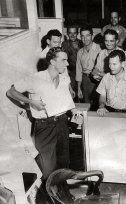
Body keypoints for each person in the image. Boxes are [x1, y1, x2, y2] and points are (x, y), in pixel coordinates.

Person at [6, 47, 75, 179]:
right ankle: (49, 197)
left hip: (62, 123)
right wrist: (30, 102)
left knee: (63, 163)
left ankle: (63, 194)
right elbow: (11, 92)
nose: (67, 63)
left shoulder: (64, 78)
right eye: (63, 60)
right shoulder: (35, 78)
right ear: (52, 62)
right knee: (48, 168)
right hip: (44, 127)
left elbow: (66, 98)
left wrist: (74, 111)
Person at [96, 50, 126, 116]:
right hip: (109, 111)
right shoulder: (106, 77)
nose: (111, 67)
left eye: (114, 64)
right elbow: (102, 96)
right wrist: (102, 107)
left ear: (123, 64)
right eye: (110, 64)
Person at [76, 25, 101, 106]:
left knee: (98, 104)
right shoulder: (80, 52)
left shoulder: (100, 49)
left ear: (92, 36)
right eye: (82, 36)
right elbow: (79, 70)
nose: (85, 38)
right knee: (87, 104)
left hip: (97, 80)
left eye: (87, 35)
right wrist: (79, 88)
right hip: (85, 80)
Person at [61, 25, 83, 95]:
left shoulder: (82, 43)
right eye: (70, 33)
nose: (72, 35)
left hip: (81, 71)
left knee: (82, 92)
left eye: (74, 33)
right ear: (67, 34)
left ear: (77, 33)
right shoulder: (64, 44)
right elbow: (63, 59)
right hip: (70, 71)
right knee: (71, 93)